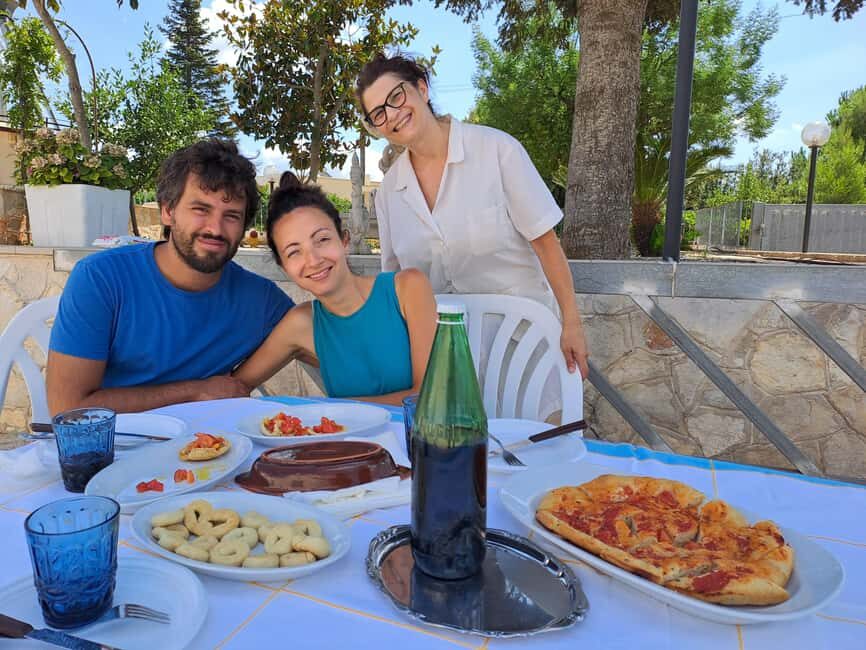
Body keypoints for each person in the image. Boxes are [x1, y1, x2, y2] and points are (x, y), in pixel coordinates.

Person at [356, 53, 589, 380]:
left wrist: (572, 323)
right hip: (444, 361)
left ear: (421, 89)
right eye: (378, 113)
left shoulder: (497, 150)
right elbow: (398, 286)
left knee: (535, 432)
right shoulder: (389, 194)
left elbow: (547, 244)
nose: (392, 114)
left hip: (523, 348)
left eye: (396, 96)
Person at [46, 139, 295, 415]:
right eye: (201, 209)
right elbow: (66, 407)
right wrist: (195, 391)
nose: (215, 228)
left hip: (212, 450)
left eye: (232, 216)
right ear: (168, 211)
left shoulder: (261, 300)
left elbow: (316, 337)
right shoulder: (101, 279)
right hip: (115, 450)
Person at [232, 173, 437, 406]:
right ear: (284, 267)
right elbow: (236, 386)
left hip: (421, 440)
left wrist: (328, 412)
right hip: (351, 441)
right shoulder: (302, 323)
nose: (313, 260)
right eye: (294, 252)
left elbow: (427, 398)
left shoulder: (407, 288)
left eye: (322, 240)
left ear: (344, 240)